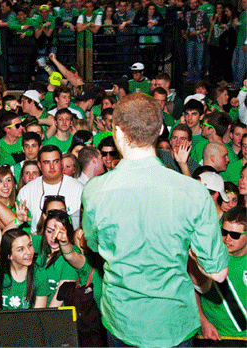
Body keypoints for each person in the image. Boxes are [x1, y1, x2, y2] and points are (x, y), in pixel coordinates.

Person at [82, 93, 229, 347]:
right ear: (161, 129)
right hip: (173, 322)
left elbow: (94, 246)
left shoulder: (95, 190)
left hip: (123, 320)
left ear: (117, 131)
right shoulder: (193, 192)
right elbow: (217, 273)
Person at [197, 206, 247, 341]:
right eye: (224, 232)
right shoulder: (210, 255)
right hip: (213, 336)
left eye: (235, 235)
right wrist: (202, 321)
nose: (227, 239)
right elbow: (192, 289)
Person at [17, 145, 84, 233]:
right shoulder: (26, 191)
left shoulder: (79, 188)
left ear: (61, 163)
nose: (52, 167)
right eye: (46, 162)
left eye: (55, 161)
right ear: (39, 165)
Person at [0, 228, 50, 310]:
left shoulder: (40, 274)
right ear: (9, 255)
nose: (29, 252)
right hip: (2, 322)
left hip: (31, 321)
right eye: (20, 249)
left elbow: (38, 315)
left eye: (29, 245)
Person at [35, 209, 79, 307]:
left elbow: (60, 296)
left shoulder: (72, 253)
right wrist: (18, 221)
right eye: (49, 231)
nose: (54, 236)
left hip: (57, 314)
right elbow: (9, 240)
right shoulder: (38, 243)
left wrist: (45, 320)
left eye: (59, 232)